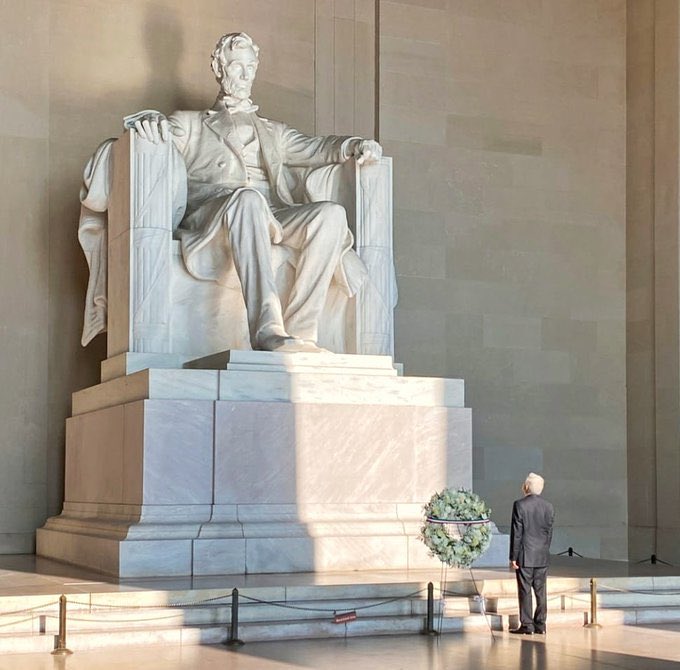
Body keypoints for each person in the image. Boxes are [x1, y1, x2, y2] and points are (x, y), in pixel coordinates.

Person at [127, 32, 382, 353]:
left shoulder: (274, 131)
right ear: (219, 69)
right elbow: (155, 132)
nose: (246, 75)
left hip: (271, 217)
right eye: (236, 67)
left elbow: (317, 147)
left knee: (330, 215)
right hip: (214, 217)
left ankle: (302, 332)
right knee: (247, 200)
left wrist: (354, 146)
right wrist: (148, 121)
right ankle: (267, 329)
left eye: (251, 67)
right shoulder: (191, 124)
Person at [509, 472, 555, 635]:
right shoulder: (548, 506)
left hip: (525, 555)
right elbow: (549, 533)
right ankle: (541, 624)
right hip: (542, 555)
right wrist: (544, 549)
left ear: (526, 486)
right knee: (540, 591)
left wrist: (513, 556)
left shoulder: (520, 505)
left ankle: (527, 625)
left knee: (525, 590)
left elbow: (517, 532)